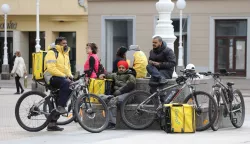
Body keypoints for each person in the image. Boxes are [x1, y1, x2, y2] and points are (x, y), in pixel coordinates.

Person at [44, 37, 73, 131]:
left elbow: (67, 68)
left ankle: (52, 124)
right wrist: (64, 76)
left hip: (61, 77)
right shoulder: (52, 52)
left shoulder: (65, 54)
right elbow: (51, 68)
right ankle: (61, 106)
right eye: (64, 43)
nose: (66, 45)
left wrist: (70, 76)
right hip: (51, 77)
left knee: (71, 86)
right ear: (58, 44)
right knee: (66, 83)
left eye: (66, 43)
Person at [99, 60, 136, 128]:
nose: (121, 69)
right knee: (100, 97)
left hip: (128, 95)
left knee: (113, 101)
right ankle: (110, 98)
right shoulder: (115, 75)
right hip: (117, 95)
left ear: (126, 68)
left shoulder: (130, 76)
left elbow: (130, 85)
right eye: (119, 67)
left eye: (123, 68)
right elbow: (108, 75)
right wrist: (103, 75)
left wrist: (120, 91)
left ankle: (112, 123)